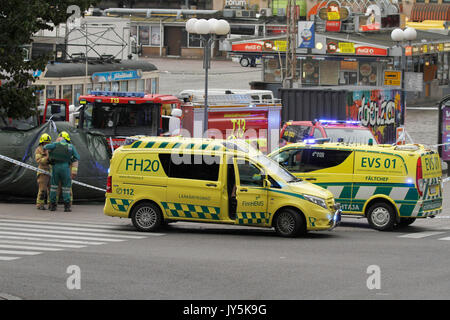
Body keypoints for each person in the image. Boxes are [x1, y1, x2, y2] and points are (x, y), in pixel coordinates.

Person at [44, 131, 80, 212]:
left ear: (59, 138)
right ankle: (67, 206)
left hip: (55, 167)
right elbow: (77, 157)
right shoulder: (70, 146)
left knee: (53, 187)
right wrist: (70, 160)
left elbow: (46, 147)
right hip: (65, 168)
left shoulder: (55, 145)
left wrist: (50, 158)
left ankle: (53, 206)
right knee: (66, 188)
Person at [34, 133, 52, 210]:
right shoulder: (38, 150)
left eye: (48, 142)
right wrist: (47, 157)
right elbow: (39, 160)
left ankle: (51, 204)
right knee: (42, 189)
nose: (47, 144)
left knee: (51, 190)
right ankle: (40, 204)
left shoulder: (51, 149)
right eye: (46, 142)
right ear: (42, 142)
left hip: (51, 172)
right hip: (42, 172)